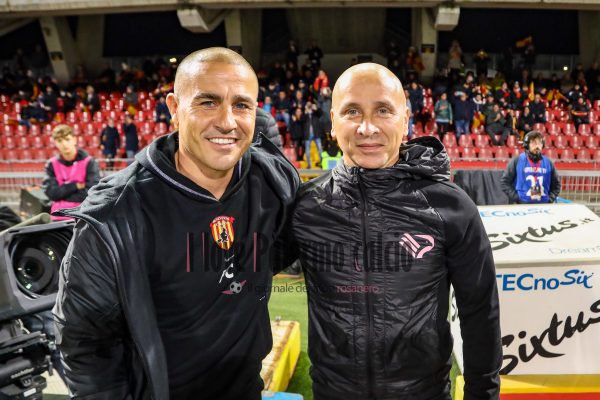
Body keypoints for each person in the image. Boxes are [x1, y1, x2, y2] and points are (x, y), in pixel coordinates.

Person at [52, 47, 299, 400]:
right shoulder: (115, 215)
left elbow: (279, 252)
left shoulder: (271, 183)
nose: (227, 121)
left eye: (241, 105)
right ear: (174, 108)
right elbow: (83, 343)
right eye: (208, 102)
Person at [282, 63, 501, 400]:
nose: (367, 127)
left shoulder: (450, 207)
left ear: (405, 119)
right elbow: (240, 274)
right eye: (352, 111)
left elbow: (479, 311)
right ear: (333, 122)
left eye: (383, 110)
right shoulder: (306, 206)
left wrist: (482, 394)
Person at [42, 124, 100, 221]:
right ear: (55, 143)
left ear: (74, 140)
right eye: (60, 141)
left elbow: (92, 192)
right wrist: (76, 185)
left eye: (67, 139)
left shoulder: (89, 162)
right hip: (58, 217)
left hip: (84, 216)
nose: (64, 144)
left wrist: (62, 196)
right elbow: (52, 193)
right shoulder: (51, 164)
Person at [501, 130, 561, 204]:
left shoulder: (548, 163)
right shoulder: (517, 160)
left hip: (544, 206)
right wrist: (517, 198)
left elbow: (557, 185)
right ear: (527, 145)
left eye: (539, 143)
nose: (537, 146)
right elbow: (505, 182)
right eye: (533, 143)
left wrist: (550, 199)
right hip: (522, 206)